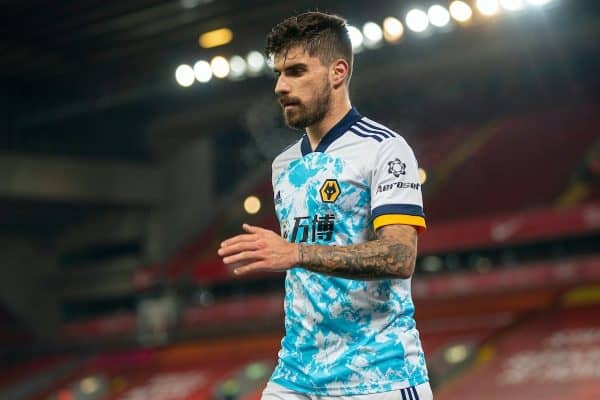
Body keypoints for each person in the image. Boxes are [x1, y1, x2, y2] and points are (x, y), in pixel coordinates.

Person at [218, 11, 432, 400]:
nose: (281, 86)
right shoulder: (283, 166)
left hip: (377, 376)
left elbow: (401, 256)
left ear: (337, 72)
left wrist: (297, 252)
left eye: (297, 71)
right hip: (297, 375)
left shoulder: (384, 148)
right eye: (279, 73)